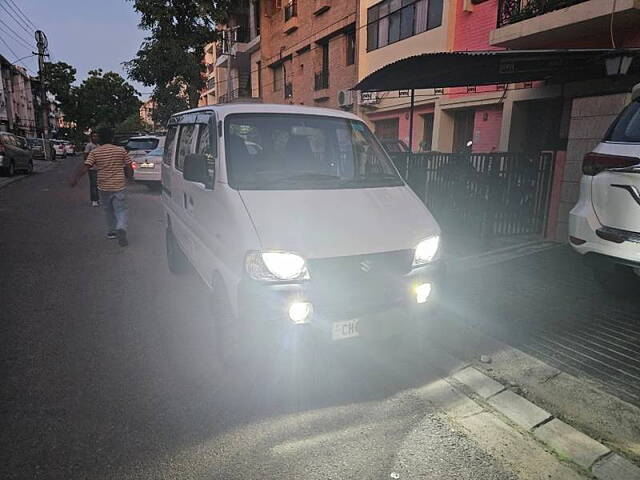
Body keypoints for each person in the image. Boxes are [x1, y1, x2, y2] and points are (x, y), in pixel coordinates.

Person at [70, 127, 133, 247]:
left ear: (99, 139)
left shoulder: (95, 152)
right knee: (121, 209)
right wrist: (130, 177)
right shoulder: (121, 150)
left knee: (108, 210)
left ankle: (112, 232)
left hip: (104, 186)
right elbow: (129, 166)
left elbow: (86, 167)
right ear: (112, 137)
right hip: (119, 184)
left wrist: (75, 178)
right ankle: (121, 227)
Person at [85, 132, 100, 206]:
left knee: (99, 184)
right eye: (94, 136)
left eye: (96, 136)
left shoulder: (99, 146)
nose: (95, 138)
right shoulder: (89, 145)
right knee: (93, 184)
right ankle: (94, 200)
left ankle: (98, 198)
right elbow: (86, 156)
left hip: (99, 168)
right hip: (92, 168)